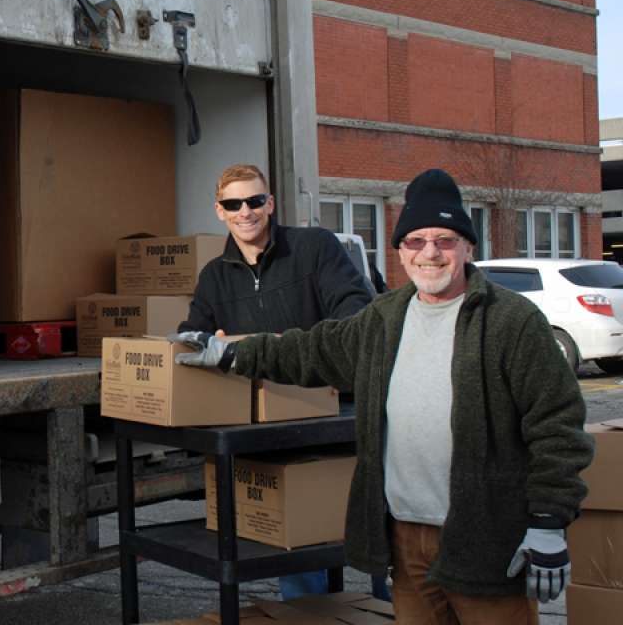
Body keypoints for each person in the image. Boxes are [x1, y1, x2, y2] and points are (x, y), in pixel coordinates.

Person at [176, 168, 593, 624]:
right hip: (405, 541)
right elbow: (309, 350)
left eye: (445, 239)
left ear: (469, 246)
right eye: (416, 240)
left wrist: (549, 522)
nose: (430, 253)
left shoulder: (511, 321)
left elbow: (557, 424)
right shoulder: (384, 318)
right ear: (399, 251)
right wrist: (229, 354)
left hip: (485, 540)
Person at [177, 163, 373, 600]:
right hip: (274, 423)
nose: (245, 212)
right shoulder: (214, 276)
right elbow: (194, 339)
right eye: (233, 204)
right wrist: (212, 344)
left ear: (270, 203)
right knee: (296, 537)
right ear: (219, 211)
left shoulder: (314, 248)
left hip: (342, 411)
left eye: (254, 201)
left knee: (374, 531)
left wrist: (293, 346)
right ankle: (309, 612)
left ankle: (388, 606)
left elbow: (356, 312)